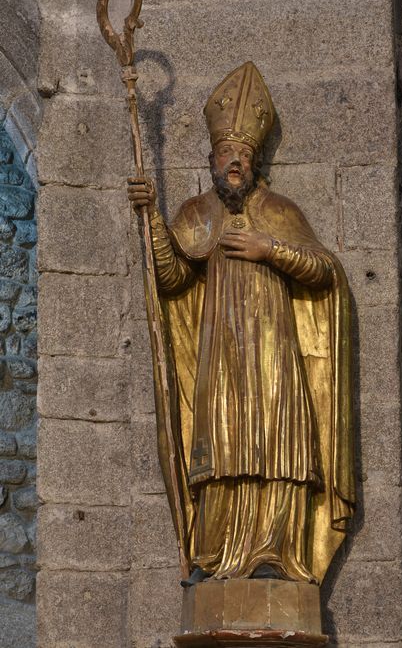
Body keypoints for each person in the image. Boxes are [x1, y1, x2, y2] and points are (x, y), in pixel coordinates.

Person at [128, 62, 355, 587]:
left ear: (255, 164)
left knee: (279, 445)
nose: (236, 162)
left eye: (245, 155)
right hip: (221, 355)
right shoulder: (196, 212)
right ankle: (215, 556)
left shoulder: (279, 210)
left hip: (273, 353)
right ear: (211, 160)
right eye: (227, 154)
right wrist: (152, 222)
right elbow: (172, 278)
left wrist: (268, 248)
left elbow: (324, 271)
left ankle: (276, 554)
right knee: (223, 446)